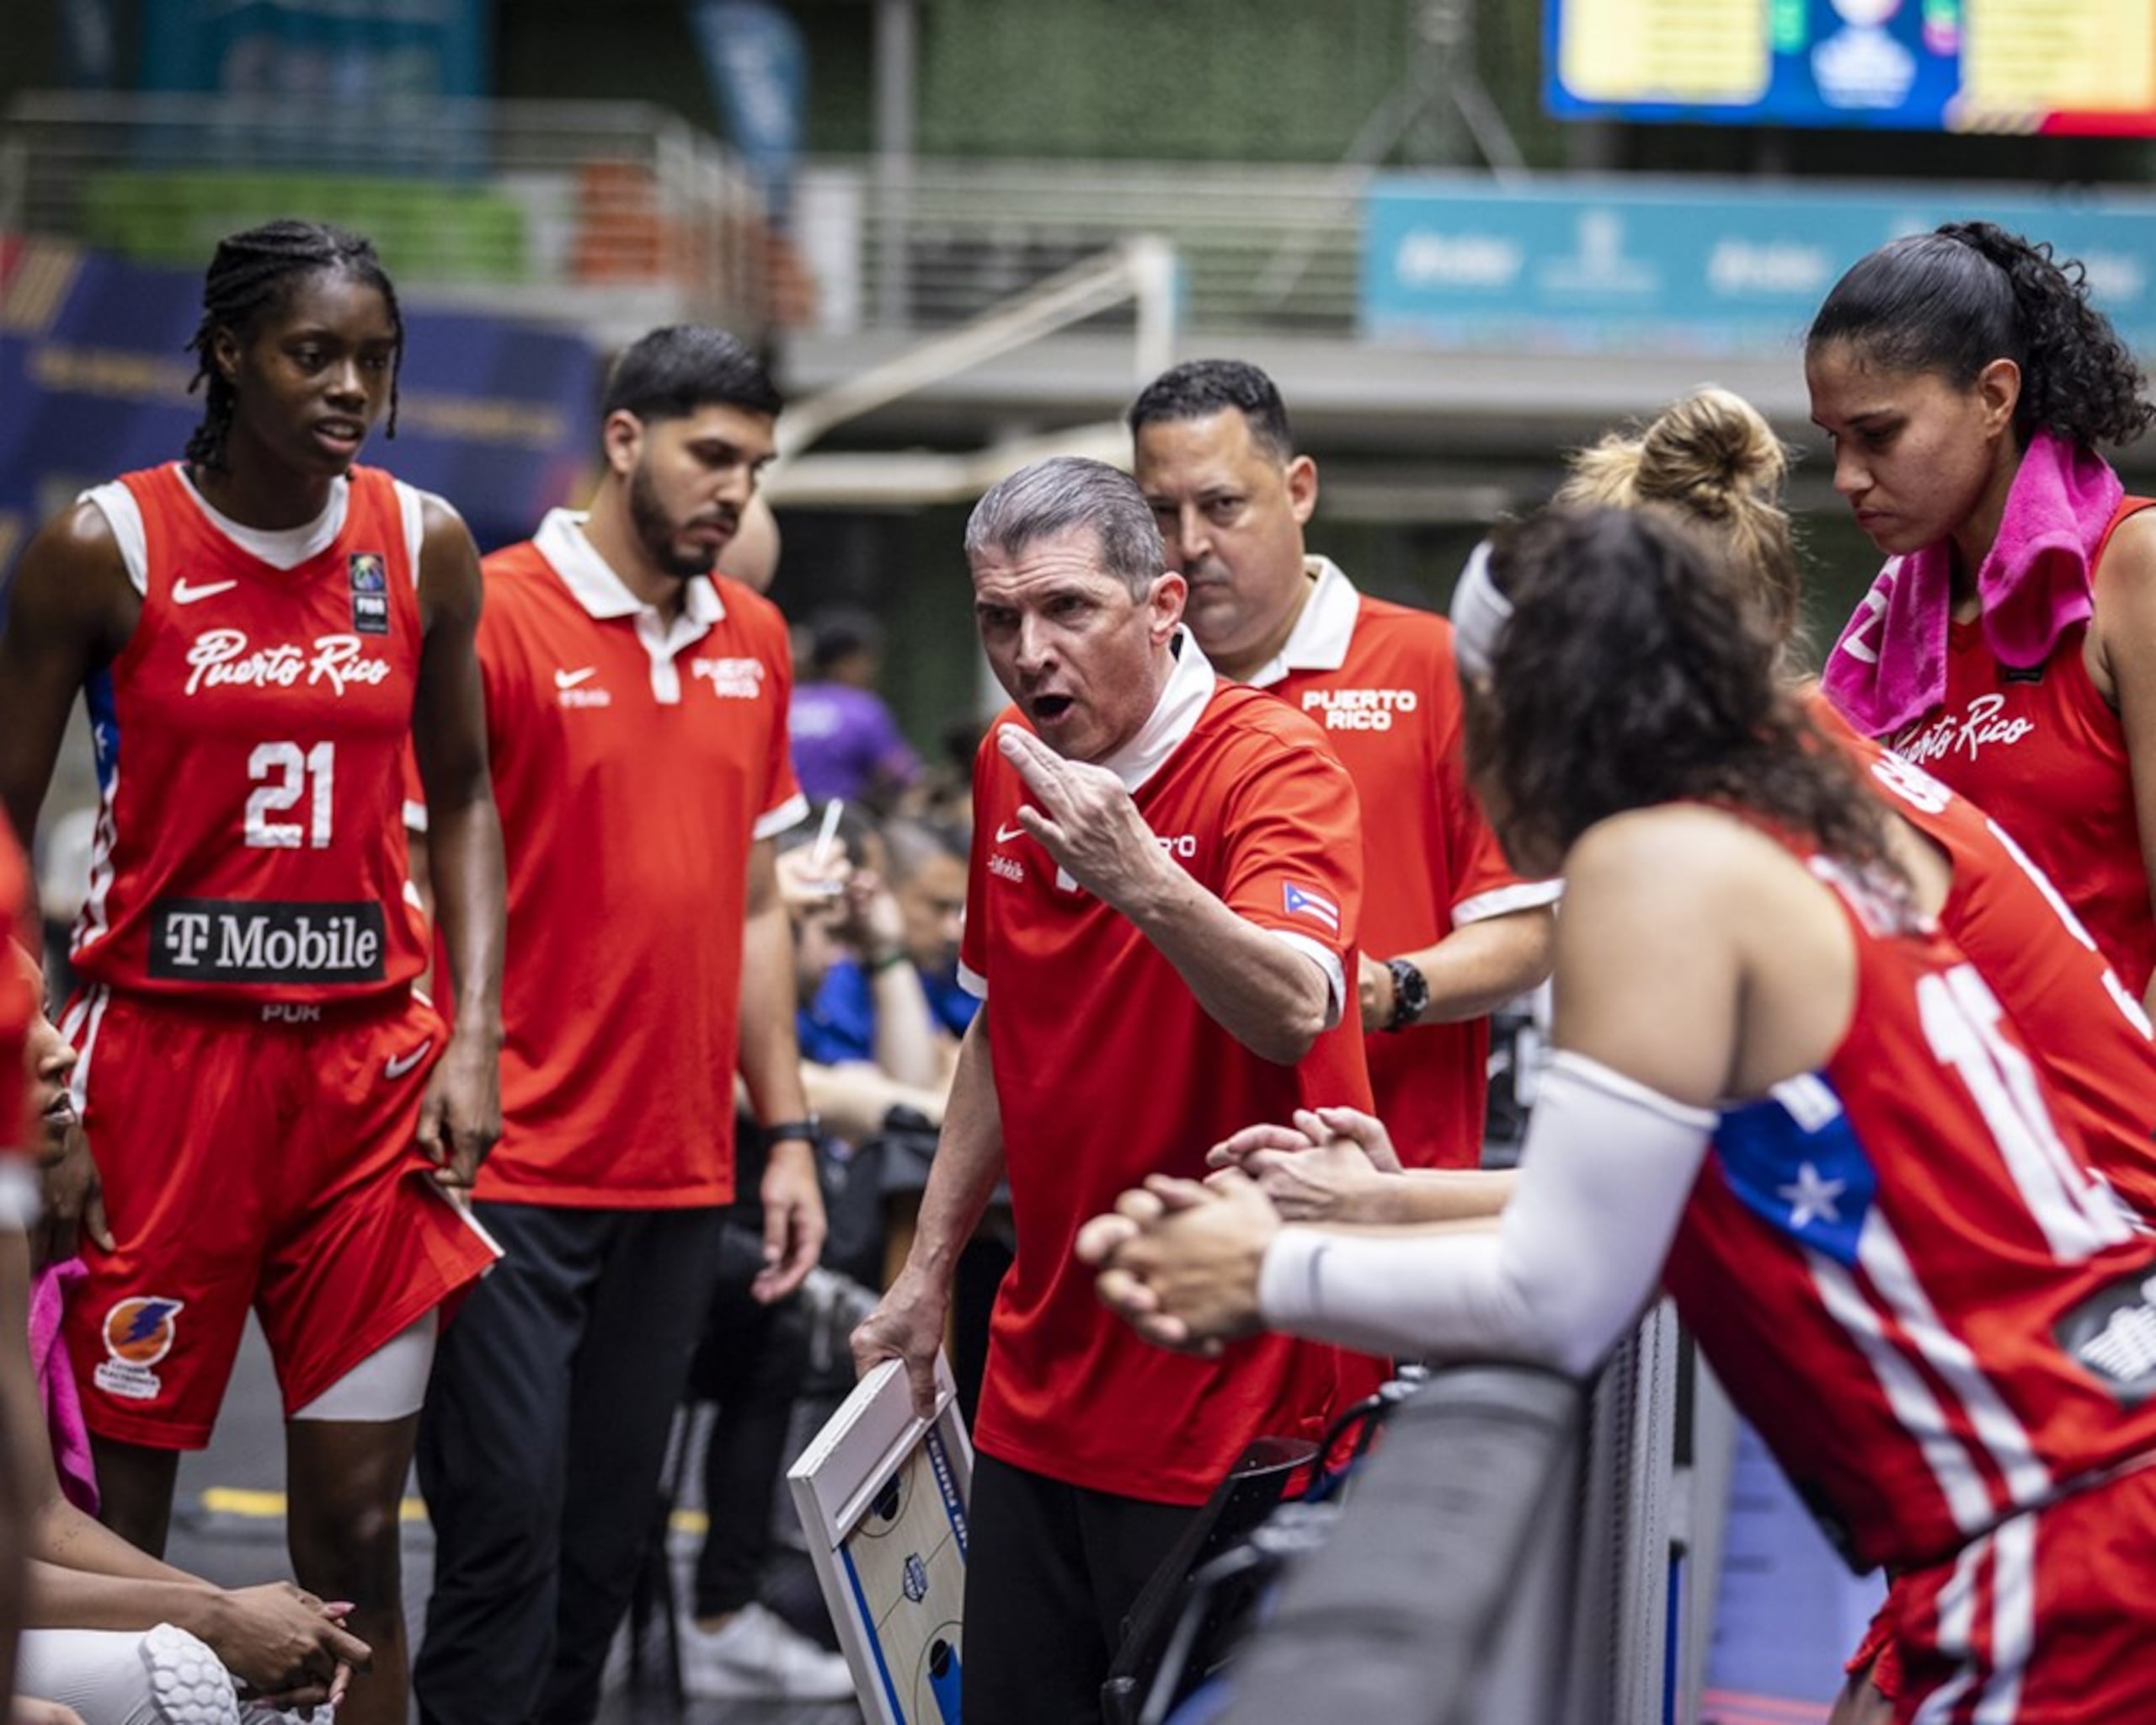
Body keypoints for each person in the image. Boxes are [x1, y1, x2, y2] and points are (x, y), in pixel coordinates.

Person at [1085, 505, 2156, 1721]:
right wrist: (1388, 1204)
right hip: (2073, 1478)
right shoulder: (1789, 819)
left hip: (2062, 1523)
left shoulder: (1657, 869)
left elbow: (1563, 1286)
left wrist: (1270, 1270)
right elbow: (1659, 1199)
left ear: (1519, 714)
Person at [0, 220, 505, 1725]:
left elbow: (467, 791)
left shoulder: (424, 543)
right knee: (132, 1544)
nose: (351, 385)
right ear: (228, 354)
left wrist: (474, 1033)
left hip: (365, 1079)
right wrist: (35, 1084)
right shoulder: (107, 542)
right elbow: (4, 830)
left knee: (355, 1540)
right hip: (160, 1070)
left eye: (376, 359)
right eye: (315, 353)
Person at [850, 456, 1377, 1724]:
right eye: (998, 620)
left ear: (1163, 606)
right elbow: (995, 1022)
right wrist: (928, 1271)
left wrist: (1140, 874)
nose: (1029, 654)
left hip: (1233, 1383)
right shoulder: (1008, 763)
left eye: (1068, 610)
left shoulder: (1275, 765)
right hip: (1041, 1368)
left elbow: (1296, 1002)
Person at [412, 324, 826, 1725]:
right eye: (714, 455)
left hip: (678, 1168)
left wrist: (791, 1132)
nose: (736, 493)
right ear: (626, 438)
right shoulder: (493, 610)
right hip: (506, 1169)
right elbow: (416, 880)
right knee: (502, 1542)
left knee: (600, 1555)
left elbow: (758, 903)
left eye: (757, 467)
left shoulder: (756, 639)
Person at [1129, 360, 1556, 1169]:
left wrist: (1381, 992)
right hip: (1171, 1184)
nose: (1191, 545)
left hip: (1390, 1182)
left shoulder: (1430, 665)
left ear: (1298, 490)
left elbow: (1526, 931)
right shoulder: (1125, 693)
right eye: (1161, 512)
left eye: (1222, 506)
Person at [3, 963, 372, 1725]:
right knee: (181, 1672)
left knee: (272, 1694)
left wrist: (231, 1609)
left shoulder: (5, 1229)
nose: (59, 1048)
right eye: (13, 1029)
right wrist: (209, 1618)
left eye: (46, 1013)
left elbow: (40, 1518)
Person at [1809, 222, 2156, 1011]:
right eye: (1833, 441)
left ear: (1995, 397)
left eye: (1877, 434)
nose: (1846, 477)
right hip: (1953, 1118)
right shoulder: (1883, 638)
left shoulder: (2136, 569)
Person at [787, 608, 923, 809]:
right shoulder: (863, 709)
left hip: (780, 824)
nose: (872, 671)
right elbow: (898, 773)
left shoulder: (785, 703)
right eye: (866, 661)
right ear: (846, 661)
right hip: (842, 826)